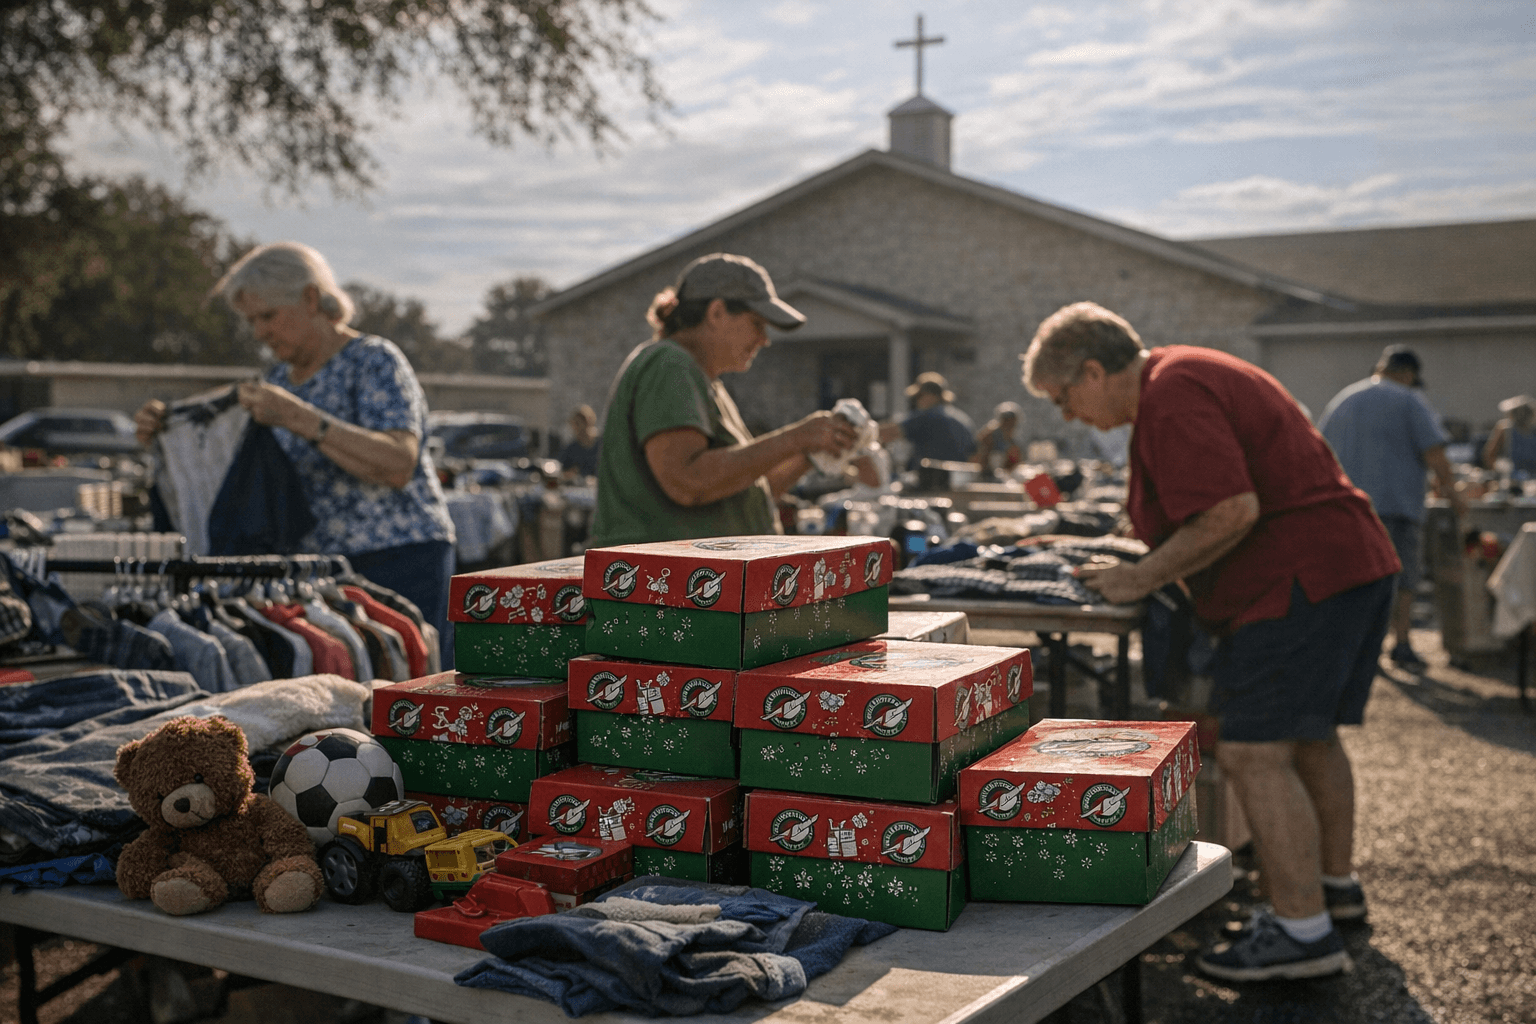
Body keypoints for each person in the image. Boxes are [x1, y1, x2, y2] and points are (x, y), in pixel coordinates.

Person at [1021, 302, 1399, 983]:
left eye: (1064, 397)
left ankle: (1302, 934)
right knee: (1311, 738)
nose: (1069, 415)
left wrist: (1139, 576)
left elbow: (1232, 510)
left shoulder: (1171, 392)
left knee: (1256, 751)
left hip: (1297, 581)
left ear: (1094, 370)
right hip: (1345, 566)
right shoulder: (1183, 375)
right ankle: (1331, 897)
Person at [135, 242, 457, 667]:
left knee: (404, 690)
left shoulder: (373, 360)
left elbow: (399, 463)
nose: (259, 333)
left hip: (400, 558)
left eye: (267, 316)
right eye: (251, 321)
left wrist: (302, 419)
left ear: (310, 298)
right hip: (317, 577)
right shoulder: (274, 381)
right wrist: (167, 426)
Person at [589, 253, 857, 546]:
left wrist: (811, 453)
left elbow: (742, 490)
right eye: (757, 323)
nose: (764, 339)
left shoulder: (704, 380)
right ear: (716, 313)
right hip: (663, 584)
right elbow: (688, 482)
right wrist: (796, 438)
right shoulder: (670, 363)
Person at [1318, 345, 1465, 672]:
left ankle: (1357, 648)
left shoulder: (1344, 400)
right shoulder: (1409, 399)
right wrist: (1455, 496)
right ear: (1409, 374)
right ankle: (1400, 643)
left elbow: (1320, 452)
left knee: (1355, 578)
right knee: (1401, 578)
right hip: (1395, 507)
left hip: (1347, 509)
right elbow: (1435, 454)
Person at [879, 372, 976, 477]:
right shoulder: (963, 419)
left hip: (931, 480)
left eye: (919, 396)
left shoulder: (927, 416)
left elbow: (884, 433)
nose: (917, 401)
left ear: (931, 396)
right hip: (960, 480)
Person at [1483, 394, 1536, 477]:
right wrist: (1500, 472)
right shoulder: (1505, 429)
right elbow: (1489, 455)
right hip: (1510, 477)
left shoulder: (1533, 431)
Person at [973, 401, 1024, 479]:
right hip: (985, 476)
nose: (1009, 426)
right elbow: (978, 458)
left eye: (1012, 423)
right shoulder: (987, 436)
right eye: (1007, 421)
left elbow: (1015, 464)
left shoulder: (1013, 443)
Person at [558, 404, 601, 480]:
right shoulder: (570, 449)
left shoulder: (602, 445)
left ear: (588, 423)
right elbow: (562, 472)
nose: (575, 428)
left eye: (578, 424)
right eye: (573, 424)